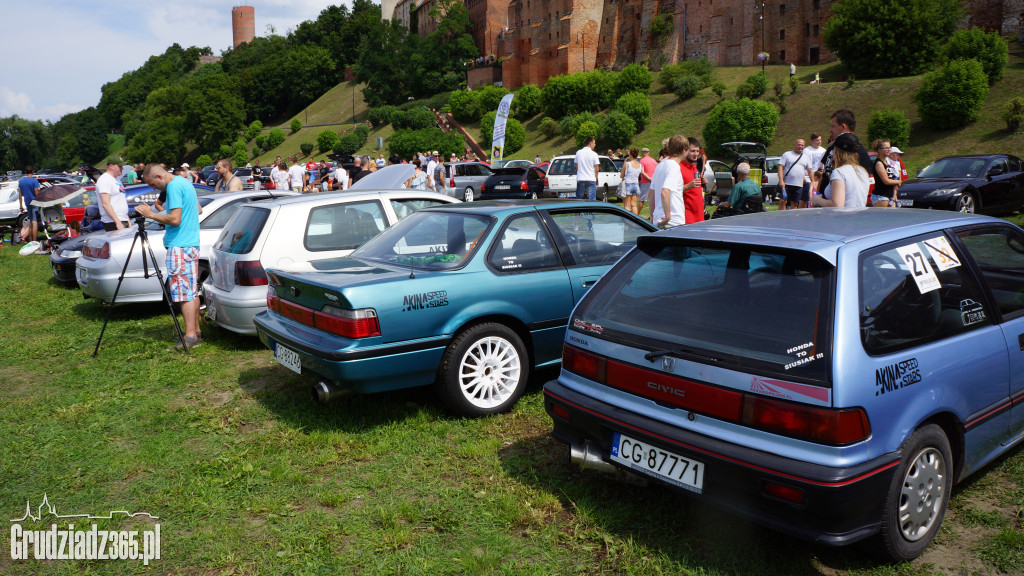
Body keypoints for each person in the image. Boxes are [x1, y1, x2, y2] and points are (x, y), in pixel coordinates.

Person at [135, 165, 202, 351]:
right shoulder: (185, 182)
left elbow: (175, 219)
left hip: (180, 245)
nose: (153, 187)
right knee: (191, 290)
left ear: (159, 175)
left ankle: (189, 337)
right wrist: (160, 214)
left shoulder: (172, 187)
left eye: (152, 183)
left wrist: (151, 214)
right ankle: (196, 331)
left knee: (183, 293)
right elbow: (198, 210)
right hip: (191, 243)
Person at [813, 109, 873, 200]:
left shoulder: (858, 152)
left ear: (843, 126)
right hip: (823, 203)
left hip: (839, 207)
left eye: (833, 126)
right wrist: (818, 194)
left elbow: (860, 184)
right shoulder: (833, 147)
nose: (830, 130)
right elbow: (825, 173)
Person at [811, 133, 869, 209]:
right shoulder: (862, 171)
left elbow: (837, 205)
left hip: (842, 219)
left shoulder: (839, 172)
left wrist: (818, 200)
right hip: (858, 217)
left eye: (833, 149)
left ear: (838, 151)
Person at [650, 135, 687, 229]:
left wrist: (652, 215)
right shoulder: (674, 166)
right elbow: (664, 191)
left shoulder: (661, 164)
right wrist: (668, 215)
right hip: (672, 222)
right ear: (683, 150)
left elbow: (651, 192)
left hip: (659, 219)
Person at [778, 138, 813, 209]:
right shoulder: (787, 154)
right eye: (799, 145)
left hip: (799, 185)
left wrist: (813, 182)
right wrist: (781, 180)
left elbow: (810, 171)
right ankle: (781, 218)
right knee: (783, 201)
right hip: (786, 184)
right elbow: (780, 167)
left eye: (802, 145)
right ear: (795, 145)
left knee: (795, 203)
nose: (800, 147)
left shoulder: (806, 157)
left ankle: (792, 219)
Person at [96, 161, 130, 231]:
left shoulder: (117, 180)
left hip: (122, 219)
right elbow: (105, 204)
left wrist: (128, 220)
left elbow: (120, 201)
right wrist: (117, 222)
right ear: (111, 166)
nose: (122, 168)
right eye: (120, 166)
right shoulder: (105, 180)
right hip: (112, 221)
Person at [679, 138, 705, 223]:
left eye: (697, 151)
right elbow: (671, 191)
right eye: (692, 151)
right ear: (685, 151)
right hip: (687, 217)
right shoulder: (678, 167)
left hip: (699, 216)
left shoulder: (694, 166)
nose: (696, 154)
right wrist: (689, 186)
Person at [870, 140, 902, 207]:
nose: (888, 150)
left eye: (889, 148)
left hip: (890, 196)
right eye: (886, 148)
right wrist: (898, 181)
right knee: (883, 217)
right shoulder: (879, 163)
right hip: (881, 196)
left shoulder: (887, 162)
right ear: (879, 150)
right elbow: (886, 181)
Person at [17, 165, 41, 244]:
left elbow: (20, 195)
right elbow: (36, 193)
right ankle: (34, 240)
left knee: (31, 220)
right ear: (33, 171)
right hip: (34, 202)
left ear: (25, 172)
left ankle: (31, 240)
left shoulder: (21, 181)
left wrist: (21, 206)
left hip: (27, 202)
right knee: (34, 221)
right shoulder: (34, 181)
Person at [574, 136, 600, 200]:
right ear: (590, 143)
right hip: (591, 178)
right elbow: (596, 168)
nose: (595, 145)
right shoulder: (594, 154)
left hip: (581, 178)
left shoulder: (578, 153)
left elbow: (577, 166)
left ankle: (580, 210)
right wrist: (596, 177)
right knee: (591, 199)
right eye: (594, 143)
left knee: (579, 199)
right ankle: (589, 210)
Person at [619, 148, 642, 215]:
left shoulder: (627, 164)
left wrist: (624, 164)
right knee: (634, 205)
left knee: (627, 206)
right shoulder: (640, 165)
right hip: (635, 184)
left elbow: (621, 176)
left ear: (630, 155)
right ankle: (636, 221)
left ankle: (627, 222)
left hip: (628, 184)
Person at [637, 147, 657, 216]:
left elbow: (642, 172)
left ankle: (636, 215)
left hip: (646, 182)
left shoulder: (642, 160)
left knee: (642, 200)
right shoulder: (654, 160)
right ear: (648, 153)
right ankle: (654, 215)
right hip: (654, 182)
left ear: (642, 154)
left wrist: (649, 179)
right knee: (654, 200)